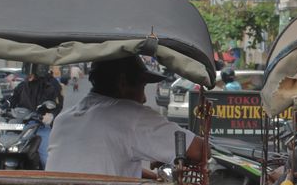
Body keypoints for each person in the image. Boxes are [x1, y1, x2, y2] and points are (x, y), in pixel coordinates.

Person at [46, 55, 204, 178]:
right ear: (122, 82)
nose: (144, 99)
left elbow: (93, 168)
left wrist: (152, 175)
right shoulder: (130, 114)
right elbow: (199, 150)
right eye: (142, 87)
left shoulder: (63, 119)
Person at [9, 63, 63, 168]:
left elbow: (58, 105)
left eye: (31, 73)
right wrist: (1, 107)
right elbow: (12, 99)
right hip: (21, 124)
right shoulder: (23, 85)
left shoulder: (52, 84)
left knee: (46, 159)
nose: (28, 76)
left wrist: (51, 115)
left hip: (41, 125)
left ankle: (50, 179)